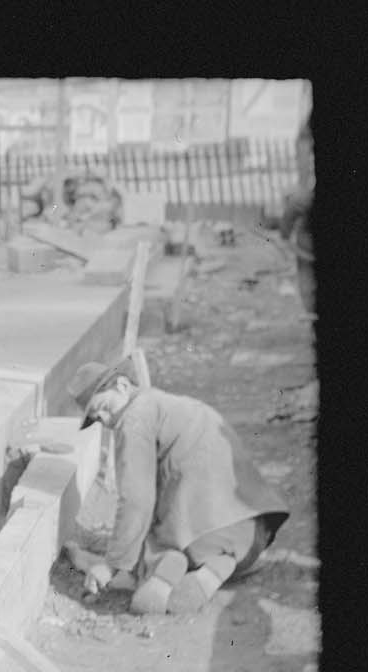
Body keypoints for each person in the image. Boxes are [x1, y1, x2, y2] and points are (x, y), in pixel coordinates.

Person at [66, 358, 289, 615]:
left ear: (123, 385)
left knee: (149, 540)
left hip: (197, 537)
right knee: (204, 528)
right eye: (97, 418)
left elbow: (137, 501)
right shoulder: (172, 405)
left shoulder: (134, 419)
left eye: (103, 408)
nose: (105, 419)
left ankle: (163, 569)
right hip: (252, 534)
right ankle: (215, 570)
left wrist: (112, 564)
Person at [280, 112, 314, 316]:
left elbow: (297, 204)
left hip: (308, 245)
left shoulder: (305, 193)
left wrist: (284, 233)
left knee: (308, 284)